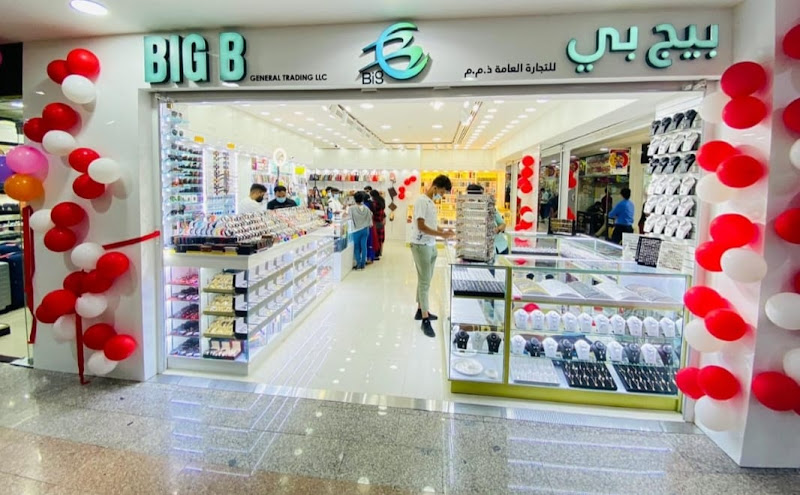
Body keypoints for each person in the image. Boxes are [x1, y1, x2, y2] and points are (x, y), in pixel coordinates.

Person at [411, 174, 454, 338]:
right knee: (424, 281)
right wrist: (441, 235)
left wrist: (443, 231)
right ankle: (425, 319)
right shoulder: (422, 201)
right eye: (442, 192)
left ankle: (420, 309)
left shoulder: (430, 202)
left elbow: (431, 224)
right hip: (421, 245)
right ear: (435, 187)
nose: (441, 196)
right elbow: (421, 226)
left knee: (425, 279)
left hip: (430, 244)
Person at [466, 184, 507, 255]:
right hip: (481, 250)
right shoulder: (467, 211)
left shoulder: (490, 208)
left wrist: (497, 229)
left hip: (499, 247)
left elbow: (502, 224)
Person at [349, 191, 373, 270]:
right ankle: (363, 264)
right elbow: (371, 216)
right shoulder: (366, 208)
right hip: (365, 229)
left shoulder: (352, 208)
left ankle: (358, 264)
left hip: (356, 230)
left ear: (354, 199)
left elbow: (350, 218)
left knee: (357, 247)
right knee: (364, 246)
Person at [370, 190, 386, 260]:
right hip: (381, 221)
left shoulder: (374, 203)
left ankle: (376, 254)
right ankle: (379, 252)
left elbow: (372, 212)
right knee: (380, 238)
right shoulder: (382, 201)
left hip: (375, 221)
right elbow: (383, 212)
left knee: (376, 238)